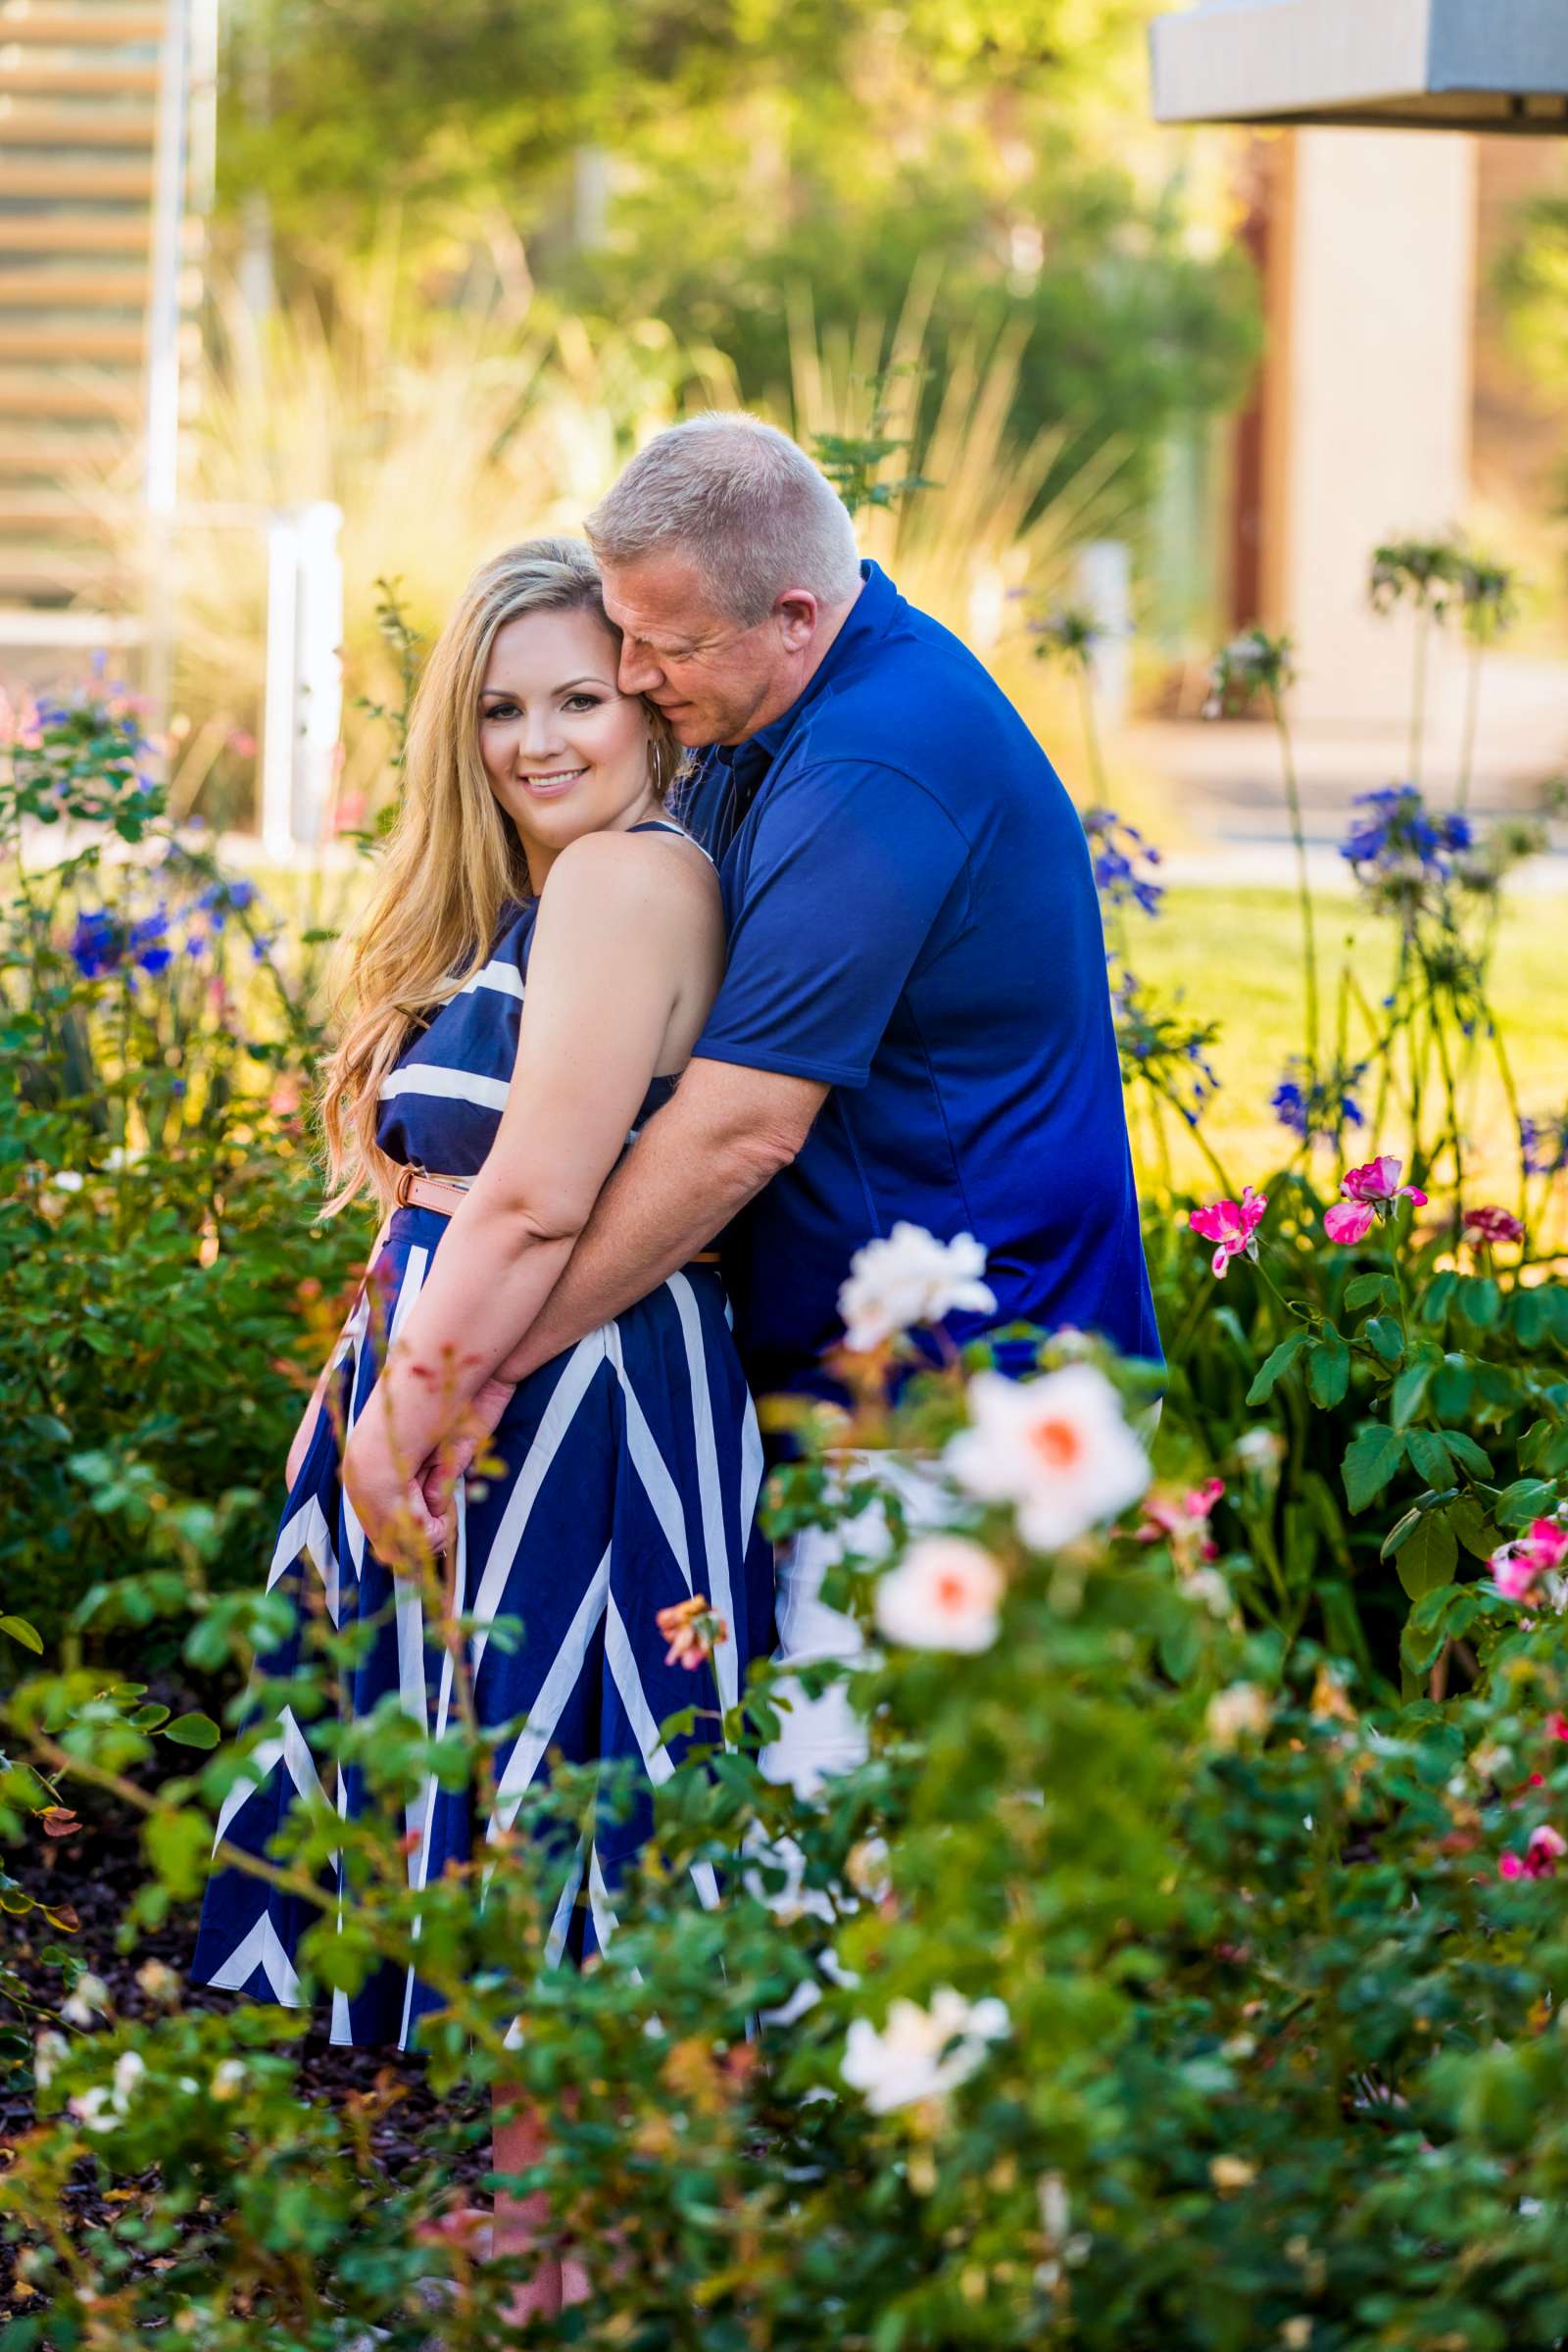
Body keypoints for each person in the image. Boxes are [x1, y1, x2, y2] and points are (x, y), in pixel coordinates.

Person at [190, 536, 774, 2322]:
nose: (537, 738)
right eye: (504, 705)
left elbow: (530, 1200)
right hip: (486, 1367)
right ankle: (565, 2210)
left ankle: (592, 2233)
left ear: (649, 708)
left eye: (580, 697)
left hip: (563, 1390)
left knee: (577, 1766)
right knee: (527, 1764)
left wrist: (409, 1412)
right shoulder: (560, 893)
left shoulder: (626, 882)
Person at [425, 414, 1161, 1801]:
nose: (633, 679)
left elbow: (737, 1131)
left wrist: (490, 1364)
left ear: (797, 613)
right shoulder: (806, 708)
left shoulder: (876, 761)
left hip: (957, 1408)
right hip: (879, 1400)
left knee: (858, 1866)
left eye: (666, 647)